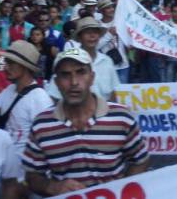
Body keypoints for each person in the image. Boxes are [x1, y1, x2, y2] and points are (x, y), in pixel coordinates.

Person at [24, 47, 148, 196]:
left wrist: (121, 190)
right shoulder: (41, 125)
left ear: (92, 77)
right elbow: (32, 175)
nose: (74, 82)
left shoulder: (121, 117)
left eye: (81, 72)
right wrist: (52, 187)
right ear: (56, 82)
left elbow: (140, 160)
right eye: (65, 75)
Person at [0, 40, 53, 184]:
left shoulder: (40, 99)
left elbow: (47, 141)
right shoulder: (10, 90)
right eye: (6, 62)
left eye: (11, 63)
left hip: (22, 179)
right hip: (4, 172)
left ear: (25, 67)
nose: (6, 67)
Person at [45, 17, 119, 101]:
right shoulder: (67, 60)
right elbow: (53, 96)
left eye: (95, 32)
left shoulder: (107, 61)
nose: (92, 36)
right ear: (79, 37)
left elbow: (112, 94)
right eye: (87, 32)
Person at [96, 0, 130, 83]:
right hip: (107, 67)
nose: (111, 9)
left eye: (112, 7)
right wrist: (109, 35)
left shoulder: (119, 22)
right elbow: (96, 46)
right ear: (101, 11)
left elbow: (127, 39)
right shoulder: (97, 26)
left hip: (123, 65)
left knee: (123, 90)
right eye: (108, 8)